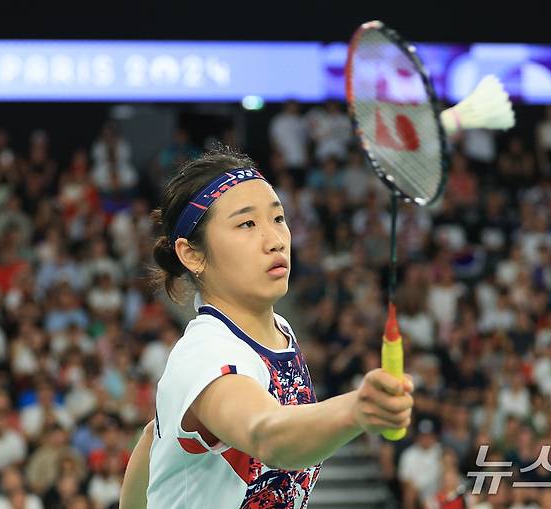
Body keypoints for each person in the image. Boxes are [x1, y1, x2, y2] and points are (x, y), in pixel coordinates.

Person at [119, 146, 413, 508]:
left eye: (278, 218)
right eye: (247, 223)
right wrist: (357, 410)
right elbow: (266, 434)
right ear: (192, 254)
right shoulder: (207, 355)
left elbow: (154, 438)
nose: (275, 240)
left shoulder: (278, 332)